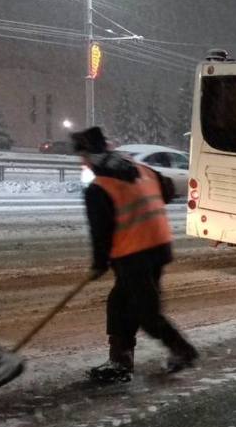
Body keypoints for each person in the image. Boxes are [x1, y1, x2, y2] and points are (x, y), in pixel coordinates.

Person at [72, 126, 198, 383]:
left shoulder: (99, 187)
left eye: (82, 156)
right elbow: (167, 190)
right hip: (158, 247)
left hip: (134, 254)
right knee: (119, 303)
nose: (82, 161)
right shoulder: (141, 169)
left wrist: (98, 264)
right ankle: (120, 361)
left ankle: (183, 350)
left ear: (88, 155)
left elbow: (101, 232)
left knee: (146, 313)